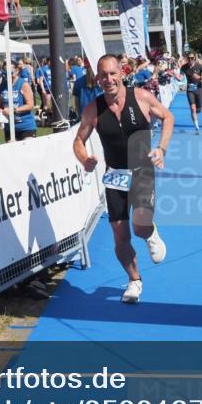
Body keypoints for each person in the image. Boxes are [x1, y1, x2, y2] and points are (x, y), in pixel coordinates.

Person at [72, 54, 175, 303]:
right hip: (114, 175)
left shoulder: (141, 97)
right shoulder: (93, 109)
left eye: (112, 73)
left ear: (122, 73)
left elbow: (168, 117)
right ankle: (134, 280)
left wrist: (161, 148)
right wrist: (84, 158)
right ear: (98, 79)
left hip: (142, 171)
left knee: (139, 227)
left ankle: (150, 234)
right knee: (120, 235)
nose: (108, 79)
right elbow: (78, 140)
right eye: (103, 75)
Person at [0, 61, 37, 141]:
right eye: (5, 72)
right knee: (11, 152)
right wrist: (1, 110)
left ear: (17, 70)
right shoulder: (2, 86)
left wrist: (14, 110)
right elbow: (0, 105)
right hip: (9, 126)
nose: (8, 75)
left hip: (25, 126)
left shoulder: (23, 84)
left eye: (10, 72)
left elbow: (30, 105)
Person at [181, 55, 202, 133]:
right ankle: (196, 126)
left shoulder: (199, 66)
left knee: (198, 110)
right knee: (193, 108)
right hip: (190, 89)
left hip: (199, 89)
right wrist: (175, 76)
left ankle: (198, 110)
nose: (190, 59)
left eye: (192, 58)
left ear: (194, 59)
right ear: (187, 59)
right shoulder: (184, 67)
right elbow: (180, 77)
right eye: (189, 58)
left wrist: (199, 77)